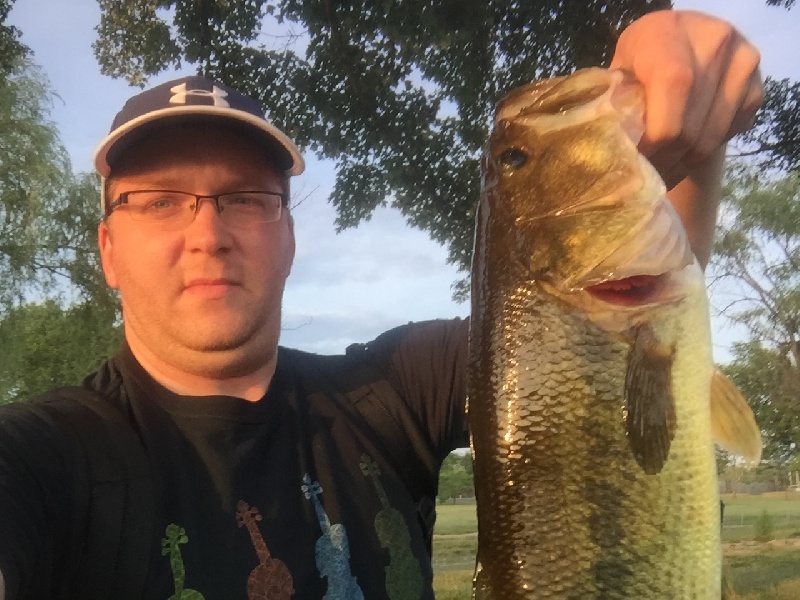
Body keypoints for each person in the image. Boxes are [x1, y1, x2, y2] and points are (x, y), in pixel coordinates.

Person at [0, 9, 762, 600]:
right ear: (106, 251)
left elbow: (599, 331)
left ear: (289, 236)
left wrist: (684, 121)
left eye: (245, 199)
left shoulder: (388, 391)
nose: (208, 232)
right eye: (161, 202)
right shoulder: (46, 456)